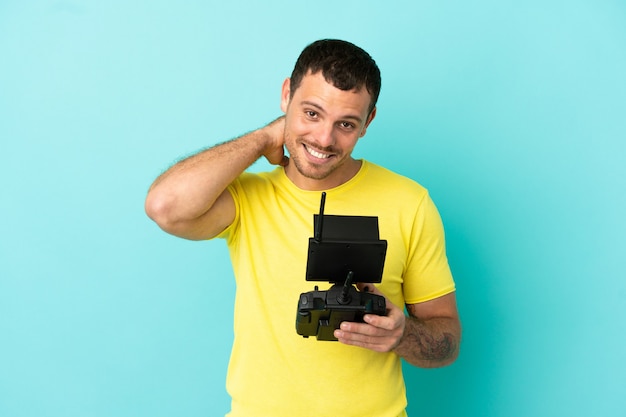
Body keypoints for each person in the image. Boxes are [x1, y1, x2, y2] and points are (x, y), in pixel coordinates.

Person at [145, 39, 461, 417]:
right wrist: (263, 138)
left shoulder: (410, 203)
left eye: (346, 124)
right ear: (286, 96)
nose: (324, 140)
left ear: (368, 122)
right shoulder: (248, 198)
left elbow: (447, 342)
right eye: (311, 113)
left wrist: (401, 335)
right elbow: (165, 206)